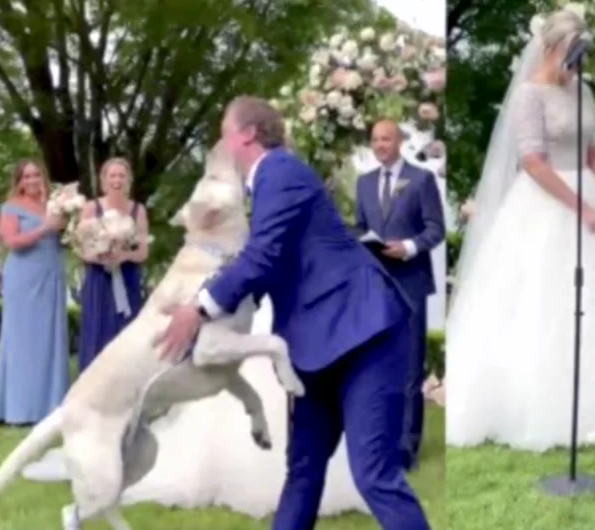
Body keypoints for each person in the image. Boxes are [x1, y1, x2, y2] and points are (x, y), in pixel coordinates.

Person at [156, 96, 430, 529]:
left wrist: (198, 311)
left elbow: (261, 257)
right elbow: (264, 268)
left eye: (225, 131)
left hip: (363, 334)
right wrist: (198, 297)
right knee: (303, 469)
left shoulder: (279, 172)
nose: (221, 143)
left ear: (247, 134)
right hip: (313, 345)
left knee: (374, 474)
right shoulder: (268, 183)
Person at [445, 9, 595, 452]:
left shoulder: (580, 90)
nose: (577, 66)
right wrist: (581, 206)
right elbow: (533, 163)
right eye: (571, 55)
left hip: (590, 202)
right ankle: (534, 404)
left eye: (581, 58)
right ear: (550, 49)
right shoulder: (529, 96)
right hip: (546, 202)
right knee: (540, 301)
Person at [20, 296, 369, 520]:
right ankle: (80, 511)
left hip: (260, 329)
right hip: (207, 348)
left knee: (142, 458)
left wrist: (255, 409)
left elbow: (225, 375)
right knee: (118, 468)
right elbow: (214, 359)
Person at [354, 119, 446, 470]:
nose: (380, 145)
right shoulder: (363, 184)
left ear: (399, 142)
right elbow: (361, 228)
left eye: (386, 139)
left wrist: (408, 246)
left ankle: (407, 447)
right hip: (375, 287)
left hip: (410, 284)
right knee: (376, 366)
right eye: (375, 139)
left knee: (409, 366)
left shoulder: (421, 179)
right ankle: (380, 439)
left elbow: (436, 228)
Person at [0, 160, 69, 426]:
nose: (32, 180)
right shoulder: (11, 207)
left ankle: (50, 407)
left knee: (49, 342)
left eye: (36, 175)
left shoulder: (54, 206)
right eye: (26, 176)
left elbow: (63, 240)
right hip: (24, 278)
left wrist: (69, 229)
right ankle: (18, 409)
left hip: (52, 273)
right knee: (22, 343)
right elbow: (11, 243)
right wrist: (45, 227)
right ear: (19, 181)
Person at [76, 158, 148, 373]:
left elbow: (143, 252)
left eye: (121, 175)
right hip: (99, 280)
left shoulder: (138, 210)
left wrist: (123, 255)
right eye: (112, 175)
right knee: (97, 332)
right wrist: (99, 256)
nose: (117, 180)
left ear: (128, 180)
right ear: (103, 180)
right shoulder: (91, 208)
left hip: (127, 279)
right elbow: (80, 248)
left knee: (125, 335)